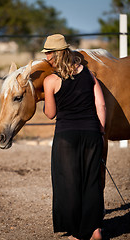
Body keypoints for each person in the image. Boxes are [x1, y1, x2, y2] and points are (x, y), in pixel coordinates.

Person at [42, 34, 106, 240]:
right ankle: (95, 229)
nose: (46, 57)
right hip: (92, 134)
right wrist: (101, 131)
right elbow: (101, 105)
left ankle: (78, 234)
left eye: (47, 53)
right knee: (91, 182)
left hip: (66, 138)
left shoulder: (50, 81)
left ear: (53, 55)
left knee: (69, 182)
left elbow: (50, 113)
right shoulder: (89, 75)